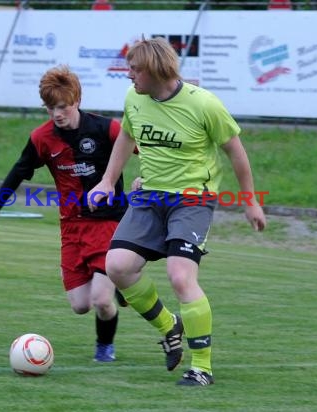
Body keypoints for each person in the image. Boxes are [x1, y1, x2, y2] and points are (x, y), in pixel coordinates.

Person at [87, 37, 266, 386]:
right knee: (117, 267)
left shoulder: (205, 105)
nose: (129, 76)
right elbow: (126, 137)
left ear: (155, 70)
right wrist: (108, 181)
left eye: (135, 69)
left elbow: (236, 152)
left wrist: (251, 200)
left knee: (181, 276)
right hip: (150, 197)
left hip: (192, 200)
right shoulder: (134, 99)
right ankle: (169, 326)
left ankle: (202, 366)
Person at [0, 65, 128, 362]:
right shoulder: (42, 138)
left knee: (100, 301)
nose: (56, 113)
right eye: (50, 108)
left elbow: (145, 149)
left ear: (76, 100)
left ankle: (104, 347)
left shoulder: (106, 129)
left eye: (62, 106)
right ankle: (116, 284)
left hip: (107, 221)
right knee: (80, 305)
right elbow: (18, 172)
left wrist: (146, 181)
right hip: (71, 227)